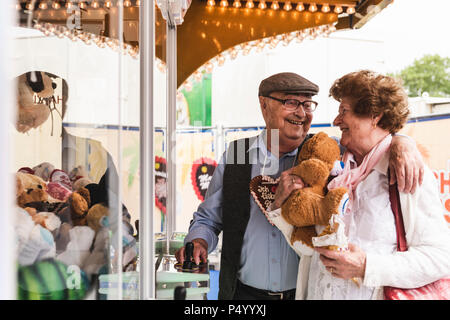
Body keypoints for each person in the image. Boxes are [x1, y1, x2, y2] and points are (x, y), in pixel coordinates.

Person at [175, 72, 425, 300]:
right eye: (291, 102)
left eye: (307, 104)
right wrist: (199, 242)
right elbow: (208, 218)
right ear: (264, 105)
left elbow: (374, 139)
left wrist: (402, 143)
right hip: (243, 295)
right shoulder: (238, 153)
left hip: (304, 294)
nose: (302, 113)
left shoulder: (331, 151)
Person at [269, 70, 450, 299]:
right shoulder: (334, 169)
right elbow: (309, 250)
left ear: (374, 115)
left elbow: (441, 257)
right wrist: (280, 208)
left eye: (344, 111)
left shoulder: (407, 173)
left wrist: (367, 266)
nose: (336, 121)